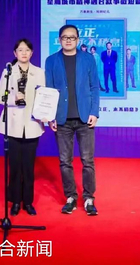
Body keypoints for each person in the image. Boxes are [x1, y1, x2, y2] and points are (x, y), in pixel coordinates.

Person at [45, 24, 100, 216]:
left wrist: (94, 112)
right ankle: (70, 197)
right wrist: (50, 116)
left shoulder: (88, 59)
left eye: (72, 37)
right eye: (65, 37)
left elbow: (95, 87)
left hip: (85, 118)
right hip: (62, 119)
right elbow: (49, 90)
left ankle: (89, 198)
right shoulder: (51, 61)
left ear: (78, 40)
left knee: (87, 160)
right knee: (64, 161)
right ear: (59, 40)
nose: (68, 40)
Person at [0, 39, 45, 216]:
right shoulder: (8, 71)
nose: (24, 53)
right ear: (14, 53)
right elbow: (0, 98)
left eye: (27, 50)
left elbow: (43, 97)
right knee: (15, 166)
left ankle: (28, 202)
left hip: (32, 123)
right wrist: (14, 99)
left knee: (29, 167)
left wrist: (45, 113)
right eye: (20, 50)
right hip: (13, 124)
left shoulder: (39, 72)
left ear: (32, 53)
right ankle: (16, 201)